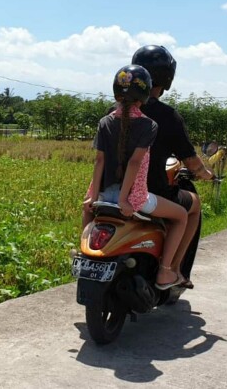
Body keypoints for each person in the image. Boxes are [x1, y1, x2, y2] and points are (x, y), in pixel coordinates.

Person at [83, 64, 191, 289]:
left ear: (115, 94)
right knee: (181, 215)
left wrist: (93, 195)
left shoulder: (105, 122)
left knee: (87, 210)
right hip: (136, 198)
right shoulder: (148, 125)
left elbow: (99, 161)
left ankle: (85, 258)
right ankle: (165, 272)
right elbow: (134, 163)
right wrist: (124, 199)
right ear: (145, 94)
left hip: (103, 194)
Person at [131, 45, 214, 289]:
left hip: (113, 190)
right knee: (193, 205)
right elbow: (190, 160)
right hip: (152, 192)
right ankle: (173, 270)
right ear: (167, 78)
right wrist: (205, 173)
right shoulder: (167, 115)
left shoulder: (115, 112)